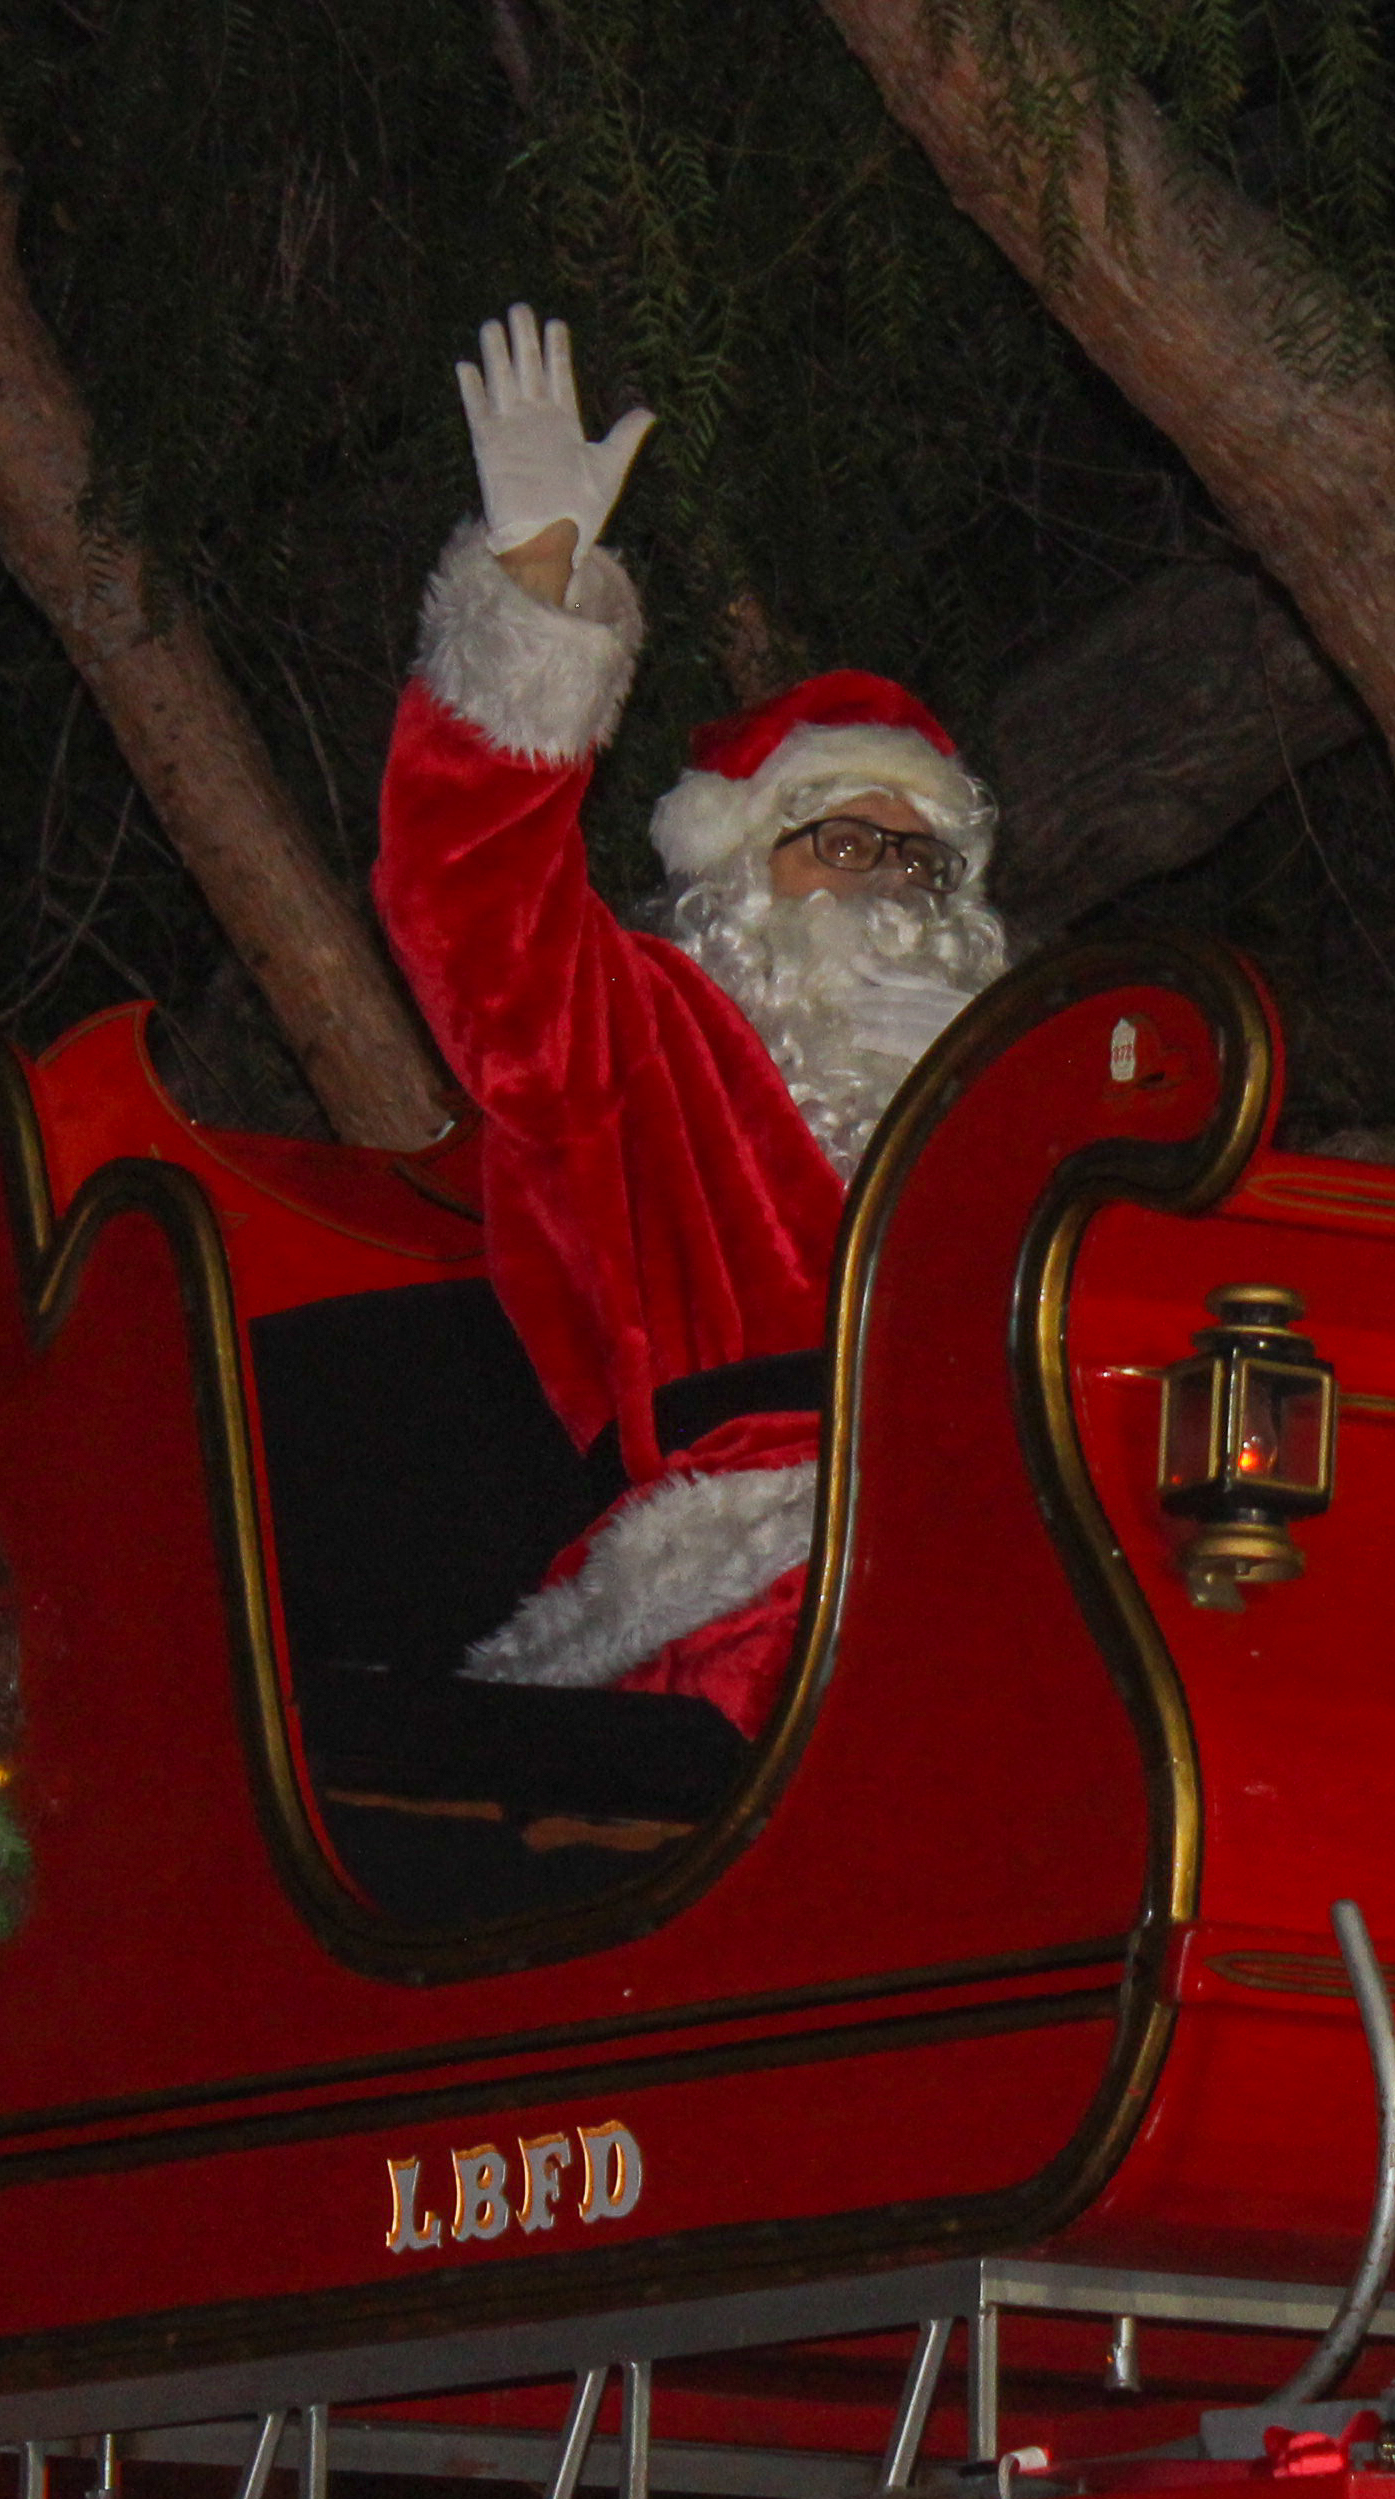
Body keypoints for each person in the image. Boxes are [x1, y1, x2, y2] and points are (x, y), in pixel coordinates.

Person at [371, 305, 1008, 1734]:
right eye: (847, 842)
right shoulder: (652, 1036)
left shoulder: (1021, 1112)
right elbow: (465, 902)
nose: (893, 889)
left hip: (1000, 1532)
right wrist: (535, 580)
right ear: (742, 872)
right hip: (744, 1576)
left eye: (925, 863)